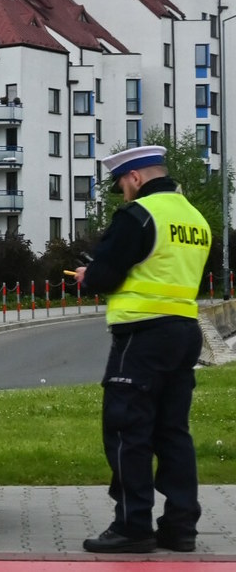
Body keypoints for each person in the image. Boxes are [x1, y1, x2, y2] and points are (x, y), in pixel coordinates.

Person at [75, 145, 211, 554]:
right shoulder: (195, 218)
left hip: (141, 336)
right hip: (185, 331)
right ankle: (181, 526)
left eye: (121, 183)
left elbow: (105, 275)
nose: (123, 191)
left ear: (135, 177)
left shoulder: (139, 215)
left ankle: (133, 526)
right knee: (173, 432)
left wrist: (88, 275)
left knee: (127, 428)